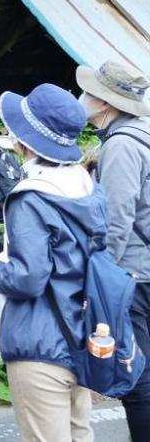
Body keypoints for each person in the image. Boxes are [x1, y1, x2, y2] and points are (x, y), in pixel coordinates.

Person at [0, 83, 99, 442]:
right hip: (83, 331)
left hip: (40, 343)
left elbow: (28, 278)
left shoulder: (30, 198)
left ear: (25, 141)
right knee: (80, 434)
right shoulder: (88, 186)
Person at [77, 60, 150, 439]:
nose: (83, 98)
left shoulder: (121, 145)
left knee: (137, 377)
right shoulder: (142, 134)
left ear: (104, 103)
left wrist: (104, 280)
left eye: (89, 92)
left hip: (135, 275)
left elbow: (118, 221)